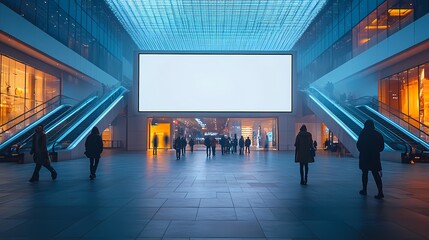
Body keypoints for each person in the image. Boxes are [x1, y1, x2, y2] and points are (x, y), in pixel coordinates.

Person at [357, 120, 385, 199]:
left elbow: (359, 144)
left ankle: (364, 189)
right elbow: (381, 147)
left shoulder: (363, 133)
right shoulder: (378, 134)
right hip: (374, 157)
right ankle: (380, 192)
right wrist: (376, 151)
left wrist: (362, 151)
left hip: (364, 156)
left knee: (364, 173)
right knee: (376, 174)